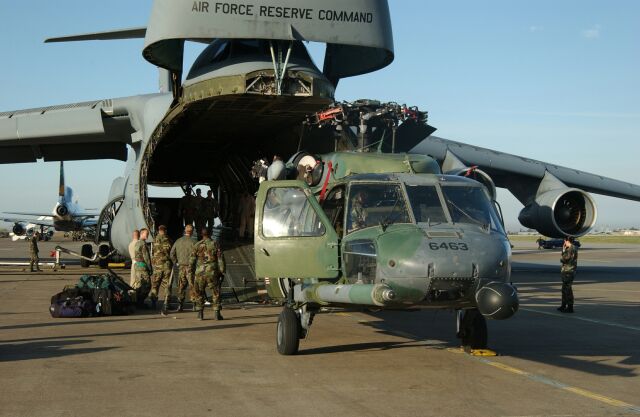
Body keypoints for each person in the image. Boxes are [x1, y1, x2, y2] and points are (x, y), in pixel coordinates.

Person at [190, 228, 226, 321]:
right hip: (212, 272)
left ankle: (200, 313)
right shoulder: (215, 244)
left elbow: (192, 261)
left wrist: (191, 272)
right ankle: (217, 313)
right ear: (211, 233)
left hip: (199, 272)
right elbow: (220, 259)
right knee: (215, 292)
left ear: (201, 234)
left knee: (199, 292)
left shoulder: (196, 245)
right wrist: (222, 271)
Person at [170, 224, 197, 312]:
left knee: (181, 286)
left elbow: (172, 253)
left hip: (181, 266)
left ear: (185, 231)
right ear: (192, 232)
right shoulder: (194, 242)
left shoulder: (178, 241)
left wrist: (176, 262)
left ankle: (180, 305)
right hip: (190, 267)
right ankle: (194, 305)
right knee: (192, 285)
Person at [148, 225, 174, 315]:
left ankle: (153, 303)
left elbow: (152, 253)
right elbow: (172, 253)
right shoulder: (169, 240)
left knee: (155, 284)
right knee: (167, 284)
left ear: (159, 230)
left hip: (157, 266)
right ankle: (166, 303)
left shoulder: (154, 240)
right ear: (165, 231)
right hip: (167, 265)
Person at [132, 228, 153, 308]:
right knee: (147, 285)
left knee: (140, 284)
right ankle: (140, 302)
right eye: (146, 234)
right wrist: (150, 268)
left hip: (137, 266)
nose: (147, 235)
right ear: (142, 234)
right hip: (143, 266)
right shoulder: (143, 244)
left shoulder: (137, 243)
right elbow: (146, 257)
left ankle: (137, 301)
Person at [558, 237, 578, 313]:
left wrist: (563, 250)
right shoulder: (573, 248)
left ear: (567, 241)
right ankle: (564, 305)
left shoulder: (570, 249)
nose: (564, 242)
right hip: (568, 271)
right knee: (564, 289)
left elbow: (564, 259)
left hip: (568, 271)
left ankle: (570, 307)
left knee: (568, 290)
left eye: (564, 241)